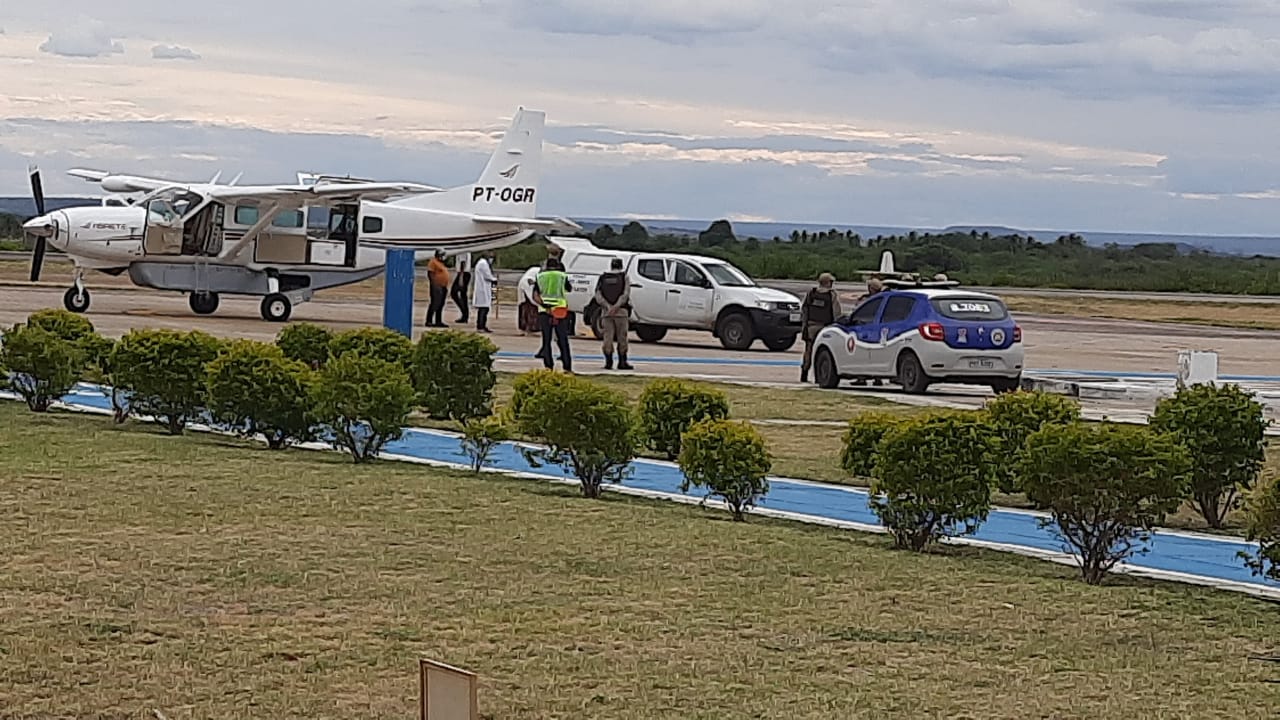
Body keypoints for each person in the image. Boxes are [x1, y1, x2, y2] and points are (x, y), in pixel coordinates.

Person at [799, 272, 842, 383]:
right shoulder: (831, 295)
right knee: (823, 352)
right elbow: (836, 312)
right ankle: (820, 376)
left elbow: (804, 310)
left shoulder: (811, 293)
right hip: (824, 328)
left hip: (811, 326)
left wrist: (805, 326)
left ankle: (804, 373)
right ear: (828, 283)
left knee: (808, 351)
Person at [533, 256, 573, 372]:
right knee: (562, 339)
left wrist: (545, 305)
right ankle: (567, 366)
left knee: (546, 340)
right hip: (559, 309)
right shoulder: (562, 276)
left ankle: (548, 366)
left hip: (545, 311)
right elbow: (569, 289)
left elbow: (535, 295)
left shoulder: (540, 276)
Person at [593, 257, 633, 370]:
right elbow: (625, 294)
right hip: (621, 312)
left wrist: (607, 306)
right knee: (622, 337)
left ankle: (608, 362)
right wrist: (616, 306)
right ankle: (622, 362)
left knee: (607, 337)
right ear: (621, 266)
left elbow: (598, 294)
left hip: (606, 312)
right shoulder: (624, 277)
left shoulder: (603, 278)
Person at [425, 249, 450, 328]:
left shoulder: (441, 263)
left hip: (443, 286)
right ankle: (429, 320)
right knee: (435, 303)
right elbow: (430, 273)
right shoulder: (433, 262)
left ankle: (438, 321)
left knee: (441, 304)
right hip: (436, 286)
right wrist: (434, 284)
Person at [472, 252, 496, 333]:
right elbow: (487, 275)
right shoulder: (483, 263)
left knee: (484, 308)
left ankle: (482, 325)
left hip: (484, 288)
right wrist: (494, 279)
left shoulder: (482, 263)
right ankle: (480, 326)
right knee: (483, 308)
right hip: (482, 289)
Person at [451, 256, 472, 324]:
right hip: (462, 273)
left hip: (463, 273)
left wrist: (461, 277)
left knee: (454, 293)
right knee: (463, 295)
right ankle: (465, 314)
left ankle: (464, 312)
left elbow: (463, 262)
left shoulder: (462, 252)